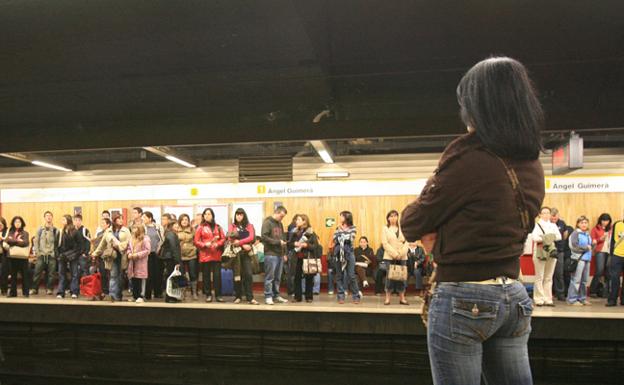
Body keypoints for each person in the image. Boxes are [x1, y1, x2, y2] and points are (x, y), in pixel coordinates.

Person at [401, 57, 545, 385]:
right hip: (514, 296)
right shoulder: (532, 163)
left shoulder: (468, 159)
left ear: (478, 106)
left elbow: (413, 222)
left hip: (463, 298)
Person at [531, 207, 562, 306]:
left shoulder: (553, 225)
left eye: (548, 213)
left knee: (549, 277)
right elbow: (535, 238)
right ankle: (538, 299)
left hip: (551, 251)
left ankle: (548, 299)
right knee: (539, 276)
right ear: (539, 214)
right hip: (540, 251)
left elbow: (559, 236)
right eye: (544, 213)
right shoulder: (536, 225)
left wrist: (544, 237)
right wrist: (549, 237)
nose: (546, 215)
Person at [194, 208, 226, 303]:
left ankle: (218, 295)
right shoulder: (200, 227)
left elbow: (223, 239)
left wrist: (218, 244)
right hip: (205, 255)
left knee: (217, 276)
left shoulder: (218, 227)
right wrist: (204, 244)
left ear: (212, 215)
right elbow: (196, 241)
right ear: (203, 216)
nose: (207, 216)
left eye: (209, 214)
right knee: (206, 276)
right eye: (205, 214)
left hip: (216, 254)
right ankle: (208, 295)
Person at [229, 208, 259, 305]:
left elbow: (251, 237)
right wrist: (243, 244)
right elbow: (230, 237)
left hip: (247, 254)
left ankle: (250, 297)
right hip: (236, 254)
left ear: (244, 215)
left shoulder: (249, 226)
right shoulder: (232, 226)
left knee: (248, 275)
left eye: (241, 215)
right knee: (237, 275)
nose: (239, 216)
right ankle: (238, 296)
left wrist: (239, 241)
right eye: (237, 214)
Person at [331, 211, 360, 304]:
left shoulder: (353, 227)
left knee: (351, 275)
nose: (340, 218)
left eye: (341, 216)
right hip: (338, 253)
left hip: (349, 253)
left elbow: (350, 238)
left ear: (347, 217)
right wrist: (342, 234)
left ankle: (356, 296)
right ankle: (340, 296)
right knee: (339, 275)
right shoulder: (337, 228)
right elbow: (335, 238)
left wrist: (341, 233)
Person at [261, 206, 289, 305]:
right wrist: (278, 242)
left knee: (278, 277)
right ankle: (268, 296)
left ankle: (276, 295)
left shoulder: (280, 224)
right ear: (277, 212)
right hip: (270, 254)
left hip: (280, 254)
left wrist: (284, 253)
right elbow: (264, 237)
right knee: (270, 277)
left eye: (283, 217)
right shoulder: (267, 222)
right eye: (281, 216)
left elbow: (282, 238)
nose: (282, 218)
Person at [288, 214, 318, 303]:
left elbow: (315, 246)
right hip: (296, 258)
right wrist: (294, 244)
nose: (296, 221)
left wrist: (306, 245)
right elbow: (289, 244)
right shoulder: (294, 232)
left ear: (304, 221)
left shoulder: (311, 232)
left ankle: (309, 297)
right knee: (296, 278)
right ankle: (298, 297)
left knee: (309, 277)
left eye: (298, 219)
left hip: (307, 258)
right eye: (296, 220)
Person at [382, 210, 409, 306]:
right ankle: (387, 298)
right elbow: (385, 243)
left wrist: (401, 253)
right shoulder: (385, 229)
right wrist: (394, 254)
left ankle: (402, 298)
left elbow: (407, 241)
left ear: (398, 217)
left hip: (402, 256)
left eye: (395, 216)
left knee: (401, 277)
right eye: (391, 216)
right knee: (390, 277)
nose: (393, 218)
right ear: (388, 218)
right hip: (390, 256)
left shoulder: (403, 228)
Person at [91, 218, 121, 301]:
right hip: (101, 256)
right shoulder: (100, 233)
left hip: (110, 256)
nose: (102, 224)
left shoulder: (111, 232)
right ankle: (105, 292)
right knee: (103, 274)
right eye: (101, 223)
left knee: (112, 275)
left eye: (104, 223)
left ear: (108, 224)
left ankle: (113, 293)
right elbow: (98, 245)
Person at [31, 211, 59, 295]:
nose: (48, 217)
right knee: (37, 273)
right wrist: (38, 252)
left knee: (51, 274)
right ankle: (34, 289)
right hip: (41, 255)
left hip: (51, 255)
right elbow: (36, 241)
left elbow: (57, 243)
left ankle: (49, 289)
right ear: (44, 218)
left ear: (52, 217)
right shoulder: (40, 229)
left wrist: (55, 253)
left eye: (50, 216)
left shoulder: (55, 230)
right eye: (47, 216)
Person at [567, 216, 593, 306]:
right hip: (578, 259)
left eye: (585, 223)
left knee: (584, 281)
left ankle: (582, 298)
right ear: (578, 224)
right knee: (576, 280)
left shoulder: (587, 234)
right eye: (582, 223)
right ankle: (572, 299)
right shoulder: (575, 234)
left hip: (587, 259)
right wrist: (586, 248)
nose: (584, 224)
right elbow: (574, 246)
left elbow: (591, 247)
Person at [56, 215, 83, 299]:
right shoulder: (60, 231)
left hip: (73, 255)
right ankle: (61, 292)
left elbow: (80, 245)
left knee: (74, 274)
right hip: (62, 256)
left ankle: (74, 292)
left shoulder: (75, 231)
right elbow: (56, 244)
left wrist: (75, 254)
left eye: (63, 219)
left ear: (68, 220)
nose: (62, 221)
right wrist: (58, 255)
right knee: (61, 274)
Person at [6, 216, 32, 297]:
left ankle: (26, 292)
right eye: (16, 222)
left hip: (23, 258)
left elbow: (25, 243)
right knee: (13, 276)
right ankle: (13, 293)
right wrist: (18, 240)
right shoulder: (10, 232)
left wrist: (13, 241)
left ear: (22, 223)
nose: (17, 223)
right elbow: (8, 240)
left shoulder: (25, 233)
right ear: (13, 223)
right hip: (12, 257)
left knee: (25, 275)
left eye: (19, 222)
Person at [589, 213, 612, 298]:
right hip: (600, 251)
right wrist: (600, 239)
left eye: (606, 220)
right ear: (600, 220)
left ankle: (606, 292)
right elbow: (592, 240)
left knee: (608, 271)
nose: (605, 222)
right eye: (603, 220)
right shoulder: (595, 229)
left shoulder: (612, 228)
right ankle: (593, 290)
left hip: (610, 251)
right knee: (599, 270)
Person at [177, 214, 199, 301]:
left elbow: (196, 241)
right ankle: (183, 292)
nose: (184, 221)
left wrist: (194, 248)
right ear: (180, 221)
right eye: (182, 220)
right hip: (180, 256)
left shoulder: (193, 229)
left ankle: (194, 292)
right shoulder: (176, 230)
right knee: (182, 275)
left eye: (186, 219)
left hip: (192, 255)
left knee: (193, 274)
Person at [127, 224, 150, 302]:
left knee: (140, 279)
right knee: (134, 279)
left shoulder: (145, 239)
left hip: (141, 262)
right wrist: (129, 253)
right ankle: (135, 296)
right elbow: (129, 248)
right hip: (132, 262)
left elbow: (147, 250)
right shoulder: (131, 238)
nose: (133, 230)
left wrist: (136, 255)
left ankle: (141, 296)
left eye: (135, 228)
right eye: (133, 228)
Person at [160, 217, 182, 303]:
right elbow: (174, 249)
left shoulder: (169, 233)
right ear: (171, 225)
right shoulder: (172, 234)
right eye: (175, 225)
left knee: (172, 277)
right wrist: (177, 261)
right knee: (171, 278)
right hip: (171, 259)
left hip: (169, 258)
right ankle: (170, 297)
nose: (177, 226)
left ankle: (173, 296)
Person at [109, 215, 131, 301]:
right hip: (113, 255)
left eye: (122, 218)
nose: (121, 220)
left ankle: (118, 294)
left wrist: (119, 245)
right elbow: (106, 240)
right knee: (113, 275)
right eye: (119, 219)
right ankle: (113, 295)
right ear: (115, 220)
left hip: (122, 255)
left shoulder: (126, 230)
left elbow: (129, 242)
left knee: (120, 276)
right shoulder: (110, 230)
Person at [143, 211, 163, 300]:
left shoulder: (158, 227)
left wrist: (159, 248)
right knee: (148, 274)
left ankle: (158, 292)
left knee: (157, 273)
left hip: (156, 253)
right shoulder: (142, 228)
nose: (143, 219)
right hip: (146, 254)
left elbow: (162, 239)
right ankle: (147, 293)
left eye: (144, 217)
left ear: (150, 218)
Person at [550, 208, 569, 301]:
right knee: (549, 274)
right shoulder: (547, 224)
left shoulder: (562, 223)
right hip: (549, 251)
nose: (554, 217)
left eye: (555, 216)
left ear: (558, 215)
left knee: (559, 273)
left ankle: (560, 293)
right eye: (552, 216)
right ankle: (550, 293)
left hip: (559, 251)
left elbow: (565, 235)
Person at [606, 213, 624, 307]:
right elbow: (612, 240)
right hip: (617, 255)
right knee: (614, 278)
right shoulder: (617, 224)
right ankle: (612, 299)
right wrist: (611, 254)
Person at [73, 214, 92, 279]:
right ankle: (76, 288)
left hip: (82, 255)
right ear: (74, 221)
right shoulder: (72, 230)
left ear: (81, 221)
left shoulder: (85, 230)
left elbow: (88, 242)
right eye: (76, 220)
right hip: (74, 255)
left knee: (85, 271)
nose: (77, 222)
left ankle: (87, 287)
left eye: (79, 220)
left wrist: (85, 253)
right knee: (75, 272)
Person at [0, 217, 10, 296]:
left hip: (4, 254)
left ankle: (4, 289)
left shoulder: (7, 231)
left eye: (1, 224)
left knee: (4, 271)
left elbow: (8, 242)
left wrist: (2, 239)